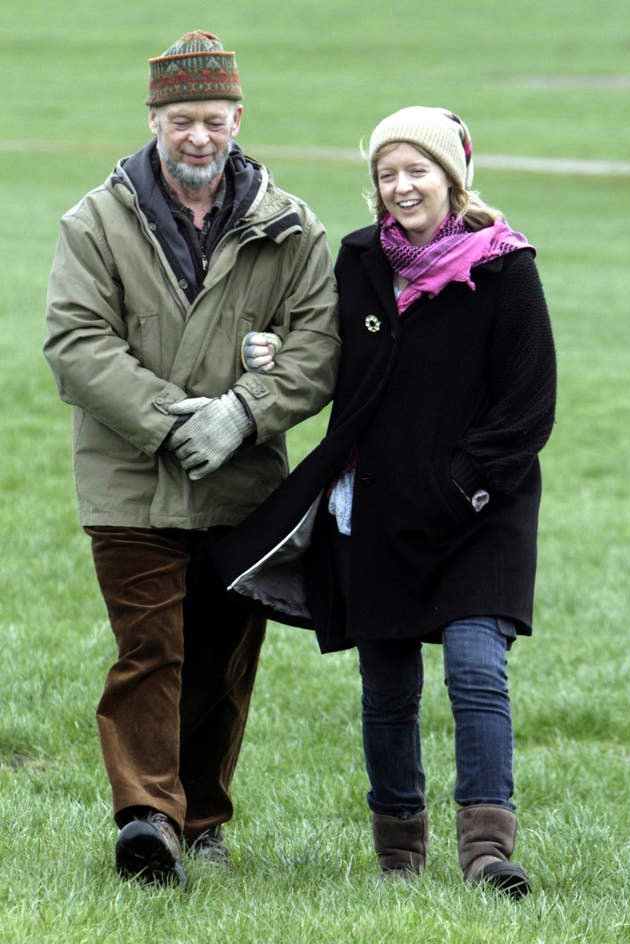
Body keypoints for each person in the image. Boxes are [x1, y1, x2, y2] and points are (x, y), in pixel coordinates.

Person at [211, 106, 556, 897]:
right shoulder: (362, 259)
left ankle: (486, 852)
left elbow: (529, 406)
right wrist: (271, 353)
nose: (401, 187)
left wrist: (462, 489)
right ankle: (399, 856)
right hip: (376, 510)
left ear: (452, 177)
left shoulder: (508, 268)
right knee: (388, 689)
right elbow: (330, 358)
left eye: (416, 170)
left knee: (475, 669)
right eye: (386, 173)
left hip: (481, 511)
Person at [44, 30, 340, 889]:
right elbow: (74, 342)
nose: (198, 136)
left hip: (245, 489)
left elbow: (320, 347)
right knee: (150, 650)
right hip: (128, 482)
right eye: (181, 120)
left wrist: (246, 413)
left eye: (212, 119)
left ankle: (202, 818)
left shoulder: (291, 228)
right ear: (154, 120)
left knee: (221, 660)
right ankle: (146, 819)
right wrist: (175, 421)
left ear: (238, 118)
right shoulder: (94, 221)